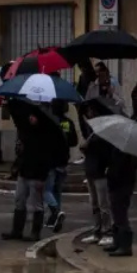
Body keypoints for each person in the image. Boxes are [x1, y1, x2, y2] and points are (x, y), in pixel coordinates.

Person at [1, 110, 62, 242]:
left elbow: (48, 157)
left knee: (36, 204)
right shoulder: (26, 132)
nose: (31, 119)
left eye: (34, 116)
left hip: (37, 174)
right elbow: (21, 154)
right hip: (25, 171)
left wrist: (43, 173)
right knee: (19, 200)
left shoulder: (46, 136)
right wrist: (16, 168)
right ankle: (17, 230)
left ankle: (35, 232)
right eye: (31, 116)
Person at [78, 103, 115, 246]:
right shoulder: (90, 130)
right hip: (91, 170)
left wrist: (90, 145)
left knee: (103, 204)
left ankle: (108, 231)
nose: (90, 113)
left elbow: (104, 151)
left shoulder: (103, 132)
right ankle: (97, 230)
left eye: (92, 110)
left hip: (101, 171)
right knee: (94, 203)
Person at [44, 100, 78, 233]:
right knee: (57, 191)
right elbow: (74, 141)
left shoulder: (49, 121)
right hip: (63, 160)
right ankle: (54, 218)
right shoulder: (68, 123)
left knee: (46, 190)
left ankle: (56, 211)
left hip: (51, 160)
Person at [102, 143, 137, 257]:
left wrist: (111, 172)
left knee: (120, 213)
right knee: (116, 212)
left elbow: (121, 166)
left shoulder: (127, 150)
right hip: (117, 183)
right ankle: (117, 241)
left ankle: (125, 245)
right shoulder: (117, 147)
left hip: (122, 183)